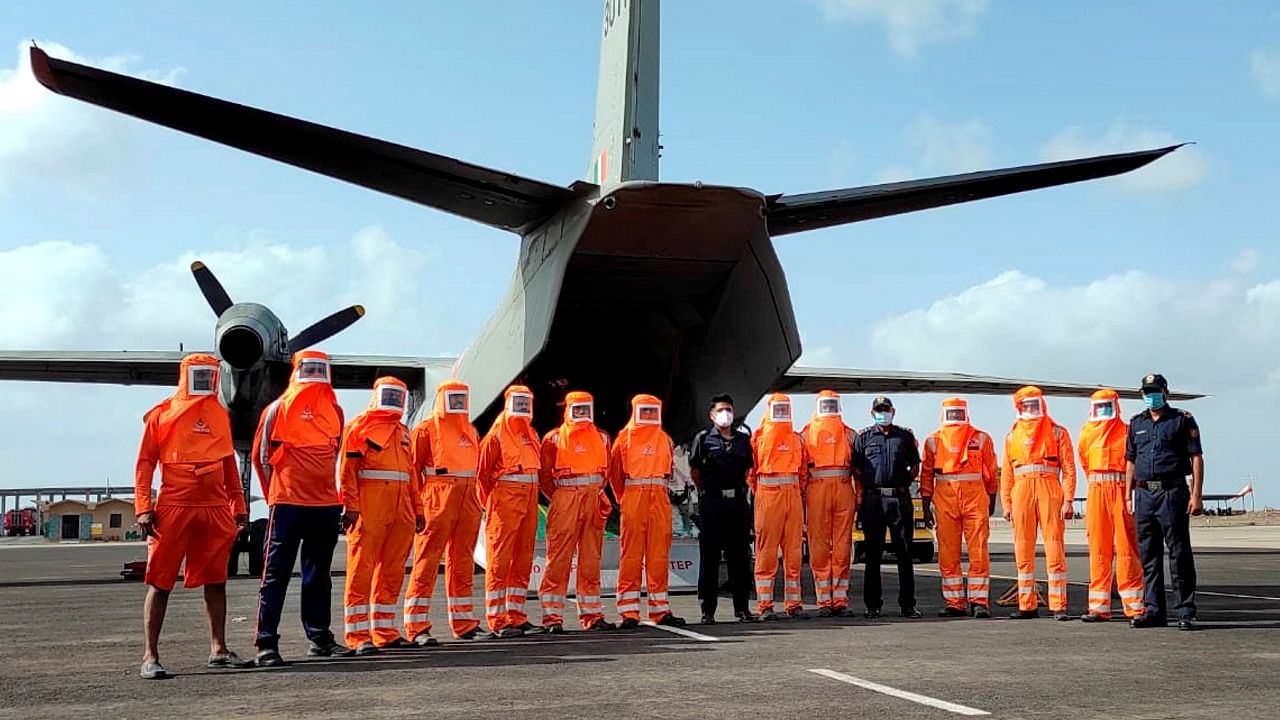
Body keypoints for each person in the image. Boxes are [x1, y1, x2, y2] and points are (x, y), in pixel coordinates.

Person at [133, 353, 253, 679]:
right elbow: (145, 462)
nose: (206, 381)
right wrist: (144, 506)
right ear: (186, 375)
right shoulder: (161, 414)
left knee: (217, 580)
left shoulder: (220, 415)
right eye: (199, 375)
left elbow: (228, 464)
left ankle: (219, 649)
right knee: (160, 582)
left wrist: (238, 507)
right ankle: (150, 656)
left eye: (210, 375)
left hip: (214, 508)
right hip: (174, 505)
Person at [251, 350, 351, 666]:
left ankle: (320, 637)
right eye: (310, 368)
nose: (315, 375)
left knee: (319, 575)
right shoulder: (276, 410)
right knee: (275, 574)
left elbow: (335, 455)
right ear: (296, 370)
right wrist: (275, 496)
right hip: (288, 503)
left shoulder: (335, 410)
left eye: (320, 369)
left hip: (325, 504)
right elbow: (261, 456)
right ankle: (266, 643)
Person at [339, 377, 425, 654]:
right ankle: (357, 634)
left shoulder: (403, 432)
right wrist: (350, 506)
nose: (393, 400)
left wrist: (418, 508)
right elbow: (347, 470)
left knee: (392, 570)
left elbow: (411, 475)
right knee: (361, 569)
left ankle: (384, 630)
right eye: (388, 394)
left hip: (401, 510)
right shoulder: (358, 427)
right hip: (370, 507)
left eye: (398, 396)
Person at [403, 380, 484, 645]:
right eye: (454, 398)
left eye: (462, 398)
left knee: (463, 562)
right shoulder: (426, 430)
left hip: (468, 498)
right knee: (426, 562)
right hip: (437, 498)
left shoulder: (470, 431)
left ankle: (464, 623)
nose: (459, 403)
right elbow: (412, 471)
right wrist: (416, 506)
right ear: (442, 399)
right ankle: (417, 626)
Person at [1126, 373, 1204, 631]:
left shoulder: (1182, 420)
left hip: (1172, 492)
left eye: (1155, 390)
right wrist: (1128, 495)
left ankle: (1185, 610)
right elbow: (1131, 461)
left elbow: (1196, 458)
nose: (1151, 395)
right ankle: (1153, 610)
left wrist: (1196, 495)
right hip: (1144, 494)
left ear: (1166, 392)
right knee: (1149, 554)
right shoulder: (1136, 423)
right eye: (1147, 391)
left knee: (1179, 552)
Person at [538, 391, 616, 632]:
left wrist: (590, 492)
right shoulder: (553, 439)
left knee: (591, 559)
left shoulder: (603, 438)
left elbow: (607, 473)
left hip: (593, 497)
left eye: (585, 408)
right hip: (566, 498)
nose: (582, 413)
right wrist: (562, 497)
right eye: (577, 408)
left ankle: (592, 615)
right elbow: (544, 477)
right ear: (567, 409)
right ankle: (552, 617)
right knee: (558, 559)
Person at [609, 394, 686, 628]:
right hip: (635, 495)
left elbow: (670, 470)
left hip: (659, 497)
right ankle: (628, 612)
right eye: (646, 411)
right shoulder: (624, 440)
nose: (650, 415)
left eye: (653, 411)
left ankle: (660, 609)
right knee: (631, 555)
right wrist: (626, 499)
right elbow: (614, 474)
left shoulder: (665, 439)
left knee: (659, 556)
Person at [1001, 386, 1076, 621]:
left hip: (1050, 488)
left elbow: (1069, 469)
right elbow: (1007, 473)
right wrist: (1006, 503)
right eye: (1026, 404)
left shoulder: (1057, 432)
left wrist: (1069, 499)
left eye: (1034, 403)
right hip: (1021, 490)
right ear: (1018, 407)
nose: (1031, 408)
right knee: (1022, 548)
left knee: (1054, 546)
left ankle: (1058, 605)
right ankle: (1027, 604)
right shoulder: (1012, 436)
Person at [920, 397, 998, 619]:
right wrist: (926, 505)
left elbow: (991, 472)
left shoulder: (981, 438)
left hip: (974, 498)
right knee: (947, 553)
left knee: (979, 552)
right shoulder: (933, 441)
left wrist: (990, 499)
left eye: (958, 413)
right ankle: (954, 601)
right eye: (951, 413)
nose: (955, 419)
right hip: (946, 498)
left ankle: (979, 600)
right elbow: (926, 474)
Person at [477, 385, 543, 638]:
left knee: (523, 558)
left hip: (528, 502)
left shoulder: (532, 434)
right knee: (500, 561)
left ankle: (516, 614)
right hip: (504, 505)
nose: (524, 407)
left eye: (527, 402)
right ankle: (497, 618)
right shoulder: (495, 435)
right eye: (519, 402)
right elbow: (481, 475)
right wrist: (488, 506)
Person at [688, 394, 758, 624]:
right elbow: (695, 472)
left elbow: (748, 469)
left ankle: (742, 608)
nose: (725, 413)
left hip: (737, 503)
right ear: (712, 415)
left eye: (728, 409)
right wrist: (710, 492)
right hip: (713, 503)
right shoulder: (703, 439)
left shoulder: (742, 440)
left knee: (740, 557)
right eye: (720, 410)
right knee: (709, 557)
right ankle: (707, 611)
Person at [852, 396, 922, 619]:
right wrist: (872, 486)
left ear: (893, 411)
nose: (883, 413)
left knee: (904, 552)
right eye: (879, 410)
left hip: (899, 498)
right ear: (873, 413)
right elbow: (856, 468)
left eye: (886, 409)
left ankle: (908, 605)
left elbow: (914, 466)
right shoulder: (863, 437)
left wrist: (901, 483)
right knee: (873, 553)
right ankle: (873, 605)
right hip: (874, 499)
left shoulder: (905, 436)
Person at [1079, 389, 1144, 623]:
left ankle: (1134, 605)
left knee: (1127, 547)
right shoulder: (1086, 432)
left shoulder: (1127, 431)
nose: (1103, 410)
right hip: (1097, 490)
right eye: (1099, 405)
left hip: (1121, 489)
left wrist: (1128, 490)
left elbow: (1135, 462)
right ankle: (1098, 607)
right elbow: (1084, 461)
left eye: (1107, 405)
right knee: (1098, 548)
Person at [749, 393, 810, 620]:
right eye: (778, 408)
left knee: (794, 553)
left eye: (786, 408)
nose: (782, 412)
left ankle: (793, 603)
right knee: (766, 553)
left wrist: (795, 492)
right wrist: (764, 493)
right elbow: (751, 473)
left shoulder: (797, 439)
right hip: (769, 498)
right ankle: (765, 605)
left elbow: (803, 471)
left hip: (792, 498)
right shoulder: (757, 438)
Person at [800, 390, 857, 617]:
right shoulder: (806, 434)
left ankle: (839, 598)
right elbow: (801, 469)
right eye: (827, 404)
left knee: (842, 547)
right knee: (819, 547)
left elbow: (859, 469)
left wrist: (859, 493)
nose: (830, 409)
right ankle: (824, 599)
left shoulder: (849, 434)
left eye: (833, 404)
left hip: (841, 487)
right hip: (819, 488)